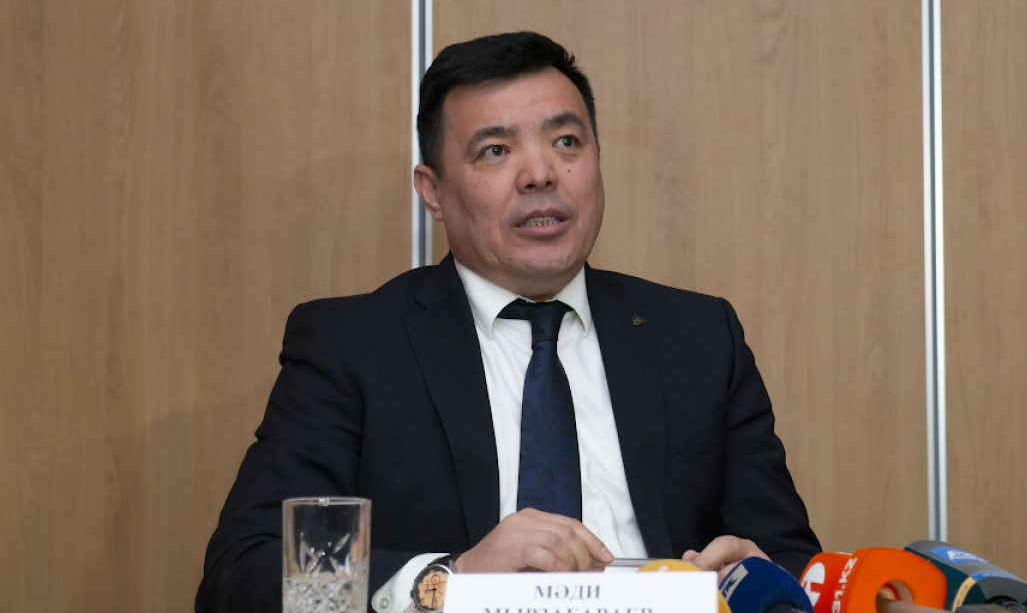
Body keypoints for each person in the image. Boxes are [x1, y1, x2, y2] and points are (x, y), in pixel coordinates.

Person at [196, 31, 820, 613]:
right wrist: (454, 579)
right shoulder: (352, 347)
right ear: (433, 192)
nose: (541, 173)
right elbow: (244, 573)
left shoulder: (698, 337)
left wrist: (765, 577)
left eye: (566, 142)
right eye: (495, 150)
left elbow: (797, 561)